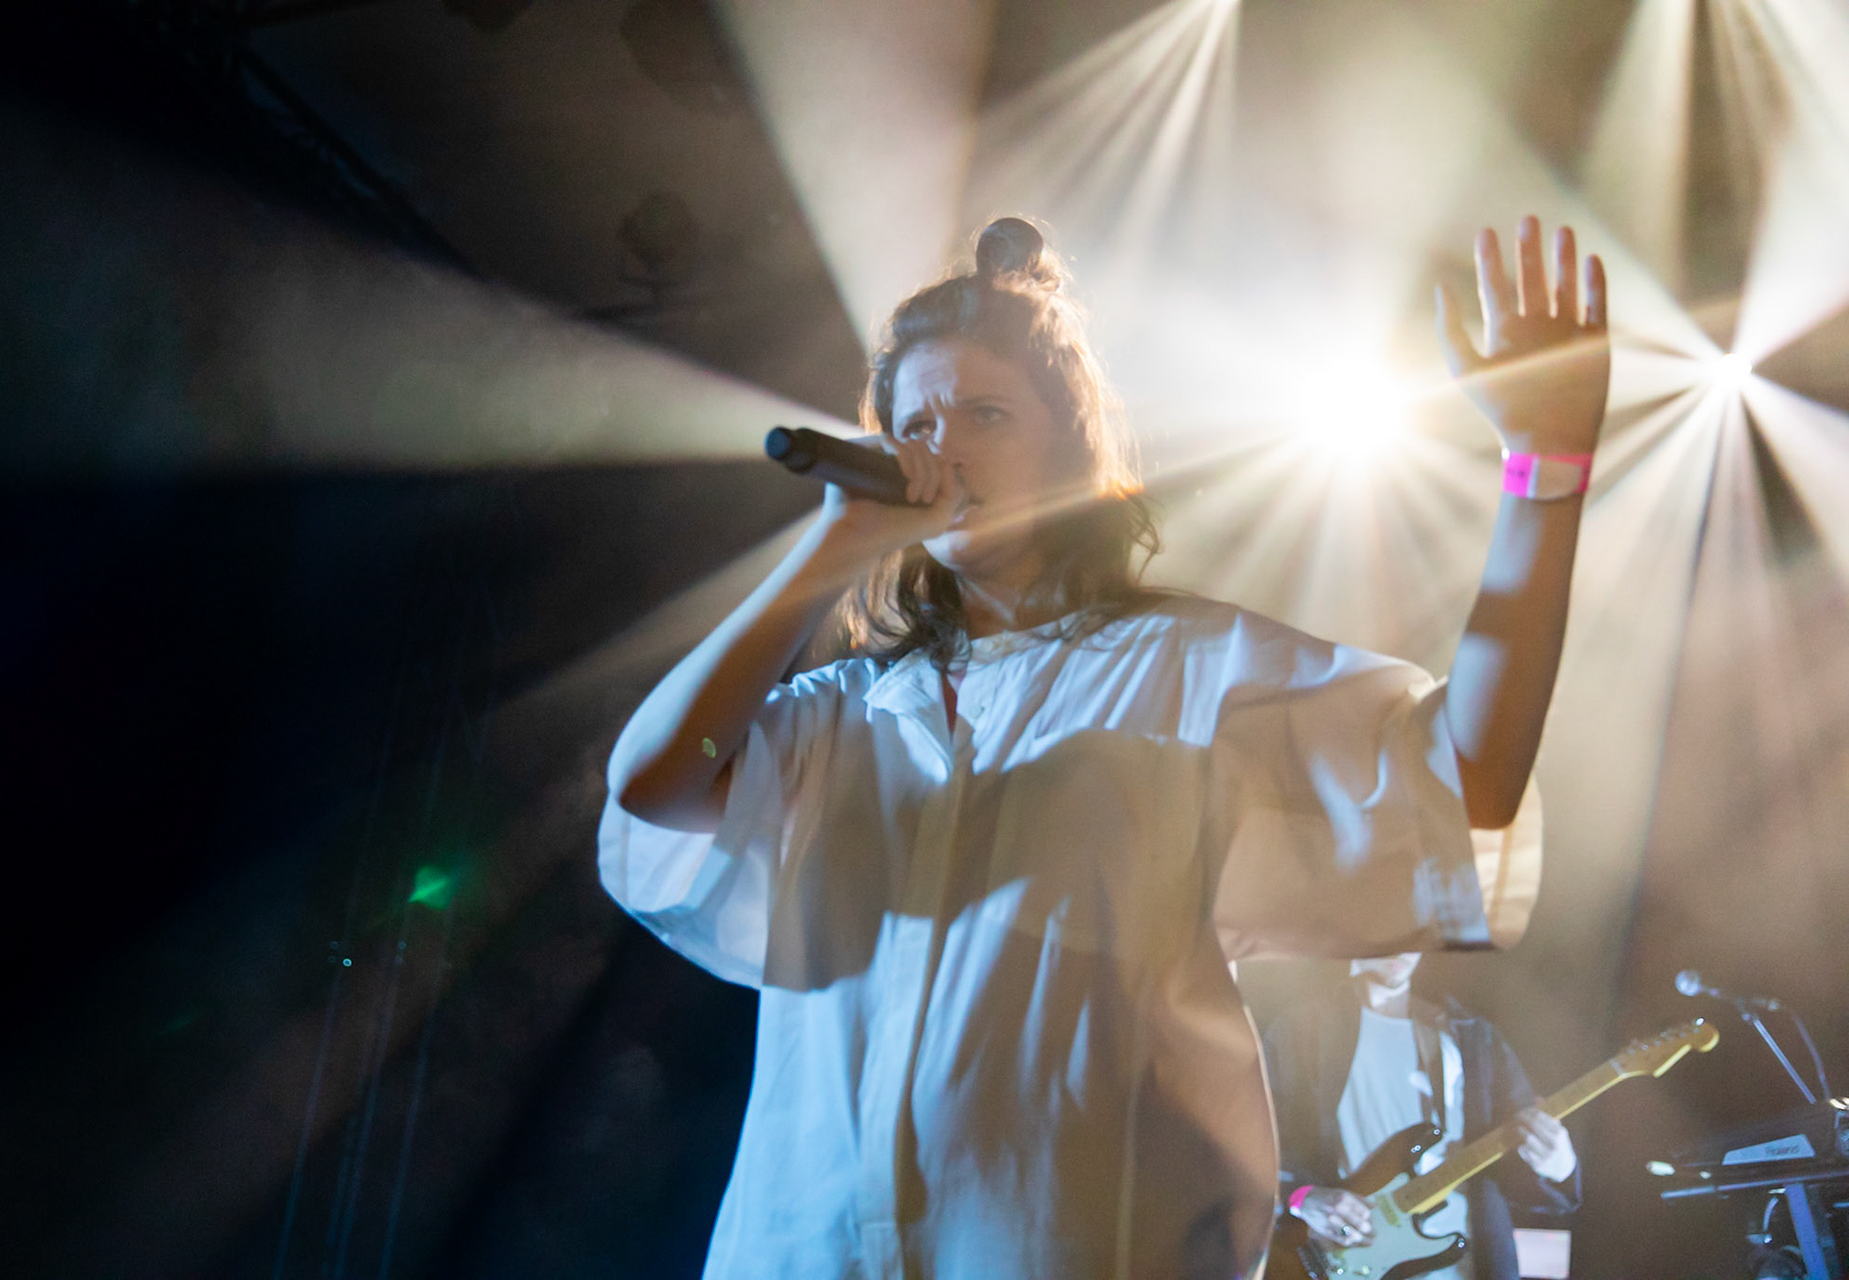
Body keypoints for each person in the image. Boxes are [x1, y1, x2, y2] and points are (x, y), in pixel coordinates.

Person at [599, 213, 1610, 1279]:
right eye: (916, 421)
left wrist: (1544, 471)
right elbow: (652, 783)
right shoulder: (841, 710)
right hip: (799, 1250)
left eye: (986, 412)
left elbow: (1468, 775)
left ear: (1071, 443)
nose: (942, 446)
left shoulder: (1191, 664)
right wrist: (831, 544)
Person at [1263, 953, 1581, 1280]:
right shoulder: (1299, 1032)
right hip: (1339, 1264)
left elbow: (1524, 1180)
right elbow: (1245, 1151)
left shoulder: (1471, 1038)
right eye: (1390, 928)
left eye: (1413, 935)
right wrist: (1301, 1197)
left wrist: (1559, 1168)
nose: (1402, 948)